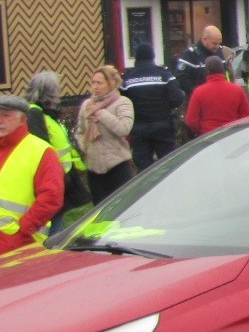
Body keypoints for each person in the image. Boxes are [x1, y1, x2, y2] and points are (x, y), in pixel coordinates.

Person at [0, 94, 65, 264]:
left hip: (22, 249)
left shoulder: (40, 151)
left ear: (22, 119)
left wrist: (23, 229)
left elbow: (51, 197)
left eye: (6, 116)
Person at [24, 71, 83, 237]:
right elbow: (41, 148)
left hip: (59, 178)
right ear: (47, 92)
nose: (59, 93)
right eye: (56, 89)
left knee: (57, 222)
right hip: (50, 179)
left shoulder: (44, 113)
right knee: (52, 228)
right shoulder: (34, 114)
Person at [76, 65, 136, 201]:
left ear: (111, 83)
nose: (95, 86)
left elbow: (123, 129)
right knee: (99, 213)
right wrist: (84, 146)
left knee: (122, 208)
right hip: (94, 168)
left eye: (100, 83)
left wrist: (100, 113)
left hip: (117, 166)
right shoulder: (87, 105)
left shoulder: (123, 103)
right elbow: (80, 131)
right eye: (93, 82)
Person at [122, 42, 184, 168]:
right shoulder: (164, 74)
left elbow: (122, 102)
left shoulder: (127, 78)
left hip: (139, 129)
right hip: (163, 126)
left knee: (144, 169)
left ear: (136, 57)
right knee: (169, 166)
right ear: (152, 56)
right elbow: (177, 98)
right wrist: (165, 106)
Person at [185, 56, 249, 136]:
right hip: (232, 135)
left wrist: (202, 129)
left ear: (207, 71)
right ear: (223, 70)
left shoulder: (198, 92)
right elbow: (246, 116)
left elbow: (191, 121)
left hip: (208, 136)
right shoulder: (237, 90)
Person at [174, 26, 235, 100]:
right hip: (198, 100)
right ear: (204, 39)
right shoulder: (190, 54)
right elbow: (181, 78)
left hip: (219, 99)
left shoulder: (220, 51)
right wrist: (199, 94)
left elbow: (226, 75)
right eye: (214, 43)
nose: (217, 46)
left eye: (219, 43)